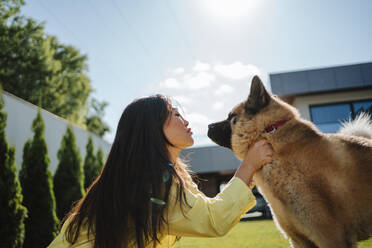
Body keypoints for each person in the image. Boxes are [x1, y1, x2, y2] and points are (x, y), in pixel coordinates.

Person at [48, 95, 273, 248]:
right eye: (175, 115)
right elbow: (213, 220)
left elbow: (206, 210)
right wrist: (248, 165)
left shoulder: (163, 174)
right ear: (151, 130)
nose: (185, 120)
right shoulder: (153, 184)